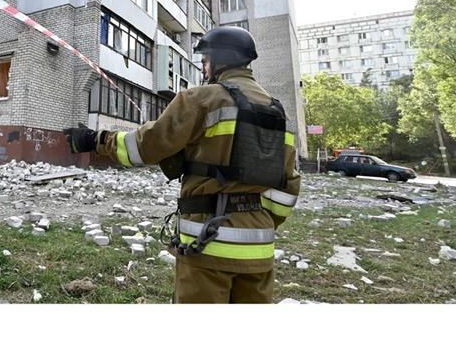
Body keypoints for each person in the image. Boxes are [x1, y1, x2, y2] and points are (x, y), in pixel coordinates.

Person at [65, 27, 300, 303]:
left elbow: (144, 146)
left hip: (207, 245)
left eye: (205, 62)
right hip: (259, 251)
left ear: (219, 61)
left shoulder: (201, 99)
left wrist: (95, 140)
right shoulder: (276, 112)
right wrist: (256, 222)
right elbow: (289, 188)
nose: (204, 69)